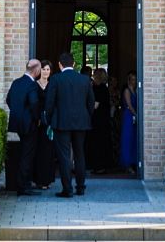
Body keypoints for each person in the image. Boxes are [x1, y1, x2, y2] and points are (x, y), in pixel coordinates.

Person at [46, 54, 95, 198]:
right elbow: (91, 102)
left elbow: (50, 103)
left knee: (64, 156)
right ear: (73, 64)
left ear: (60, 64)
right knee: (80, 154)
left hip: (61, 122)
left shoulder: (56, 79)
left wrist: (49, 120)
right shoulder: (84, 79)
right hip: (81, 122)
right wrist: (87, 116)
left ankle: (67, 189)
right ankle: (81, 187)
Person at [5, 59, 43, 195]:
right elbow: (33, 103)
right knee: (27, 154)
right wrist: (37, 118)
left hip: (16, 123)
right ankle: (24, 186)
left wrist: (18, 113)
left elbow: (8, 100)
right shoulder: (32, 85)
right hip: (29, 125)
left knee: (21, 152)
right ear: (37, 70)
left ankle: (21, 183)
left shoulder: (16, 82)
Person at [33, 61, 57, 190]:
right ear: (39, 70)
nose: (46, 71)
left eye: (48, 69)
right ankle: (38, 180)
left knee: (48, 152)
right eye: (43, 69)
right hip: (37, 122)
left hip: (49, 123)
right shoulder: (34, 85)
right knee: (38, 150)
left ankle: (46, 180)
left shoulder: (52, 85)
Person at [88, 67, 115, 174]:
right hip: (103, 119)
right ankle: (102, 165)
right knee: (102, 142)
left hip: (97, 119)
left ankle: (98, 166)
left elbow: (95, 105)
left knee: (97, 143)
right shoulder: (104, 88)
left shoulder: (98, 89)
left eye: (94, 74)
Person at [117, 71, 139, 173]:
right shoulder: (127, 91)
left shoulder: (136, 90)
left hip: (134, 116)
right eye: (132, 79)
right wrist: (136, 115)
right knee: (127, 139)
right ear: (129, 80)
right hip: (128, 116)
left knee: (134, 139)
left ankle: (134, 162)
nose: (134, 81)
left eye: (135, 79)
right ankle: (127, 164)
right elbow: (129, 105)